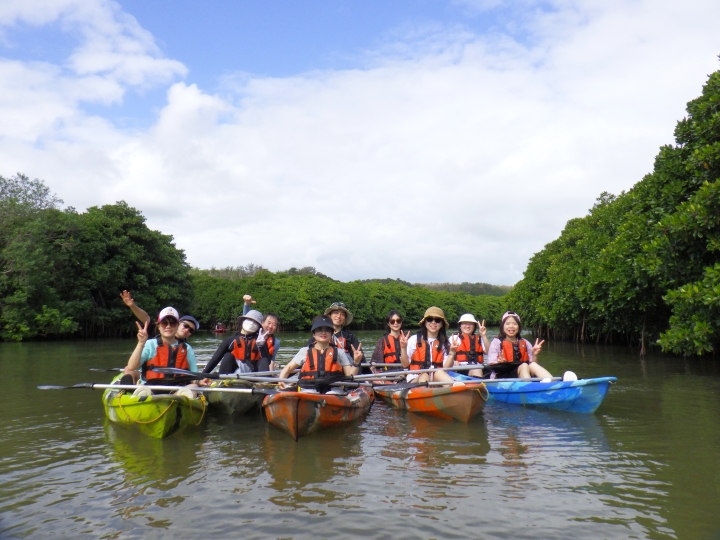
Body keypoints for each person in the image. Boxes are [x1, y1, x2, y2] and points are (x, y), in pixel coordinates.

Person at [123, 307, 199, 397]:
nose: (168, 326)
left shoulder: (187, 348)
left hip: (177, 389)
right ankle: (145, 395)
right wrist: (141, 343)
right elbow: (131, 366)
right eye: (164, 323)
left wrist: (199, 381)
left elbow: (194, 376)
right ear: (158, 326)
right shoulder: (149, 344)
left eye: (173, 323)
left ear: (177, 325)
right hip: (151, 388)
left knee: (193, 387)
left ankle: (179, 398)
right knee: (140, 387)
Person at [277, 315, 362, 390]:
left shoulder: (340, 352)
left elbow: (350, 374)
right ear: (313, 334)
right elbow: (288, 368)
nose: (323, 332)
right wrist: (281, 380)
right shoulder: (304, 351)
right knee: (309, 393)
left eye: (327, 330)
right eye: (319, 329)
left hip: (333, 389)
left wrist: (356, 362)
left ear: (332, 333)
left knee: (331, 394)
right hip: (309, 388)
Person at [202, 309, 271, 375]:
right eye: (249, 320)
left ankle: (264, 384)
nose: (251, 323)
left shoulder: (260, 340)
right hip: (234, 373)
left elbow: (267, 362)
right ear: (243, 321)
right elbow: (215, 359)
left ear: (258, 327)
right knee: (228, 356)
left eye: (255, 322)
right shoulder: (230, 340)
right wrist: (202, 375)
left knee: (264, 360)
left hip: (253, 373)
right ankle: (223, 381)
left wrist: (261, 347)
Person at [401, 307, 459, 385]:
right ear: (425, 322)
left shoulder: (444, 342)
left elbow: (445, 369)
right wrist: (403, 347)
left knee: (439, 372)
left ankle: (454, 390)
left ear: (442, 324)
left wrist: (452, 352)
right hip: (416, 378)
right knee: (424, 375)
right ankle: (425, 394)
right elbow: (405, 364)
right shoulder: (414, 339)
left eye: (437, 320)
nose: (433, 322)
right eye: (430, 319)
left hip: (435, 379)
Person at [486, 311, 550, 379]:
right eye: (507, 324)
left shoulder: (526, 343)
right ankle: (528, 387)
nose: (511, 326)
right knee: (524, 365)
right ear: (503, 326)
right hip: (503, 375)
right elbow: (491, 364)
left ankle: (553, 383)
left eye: (514, 324)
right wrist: (501, 363)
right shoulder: (496, 342)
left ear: (518, 326)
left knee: (533, 365)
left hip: (522, 373)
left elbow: (533, 363)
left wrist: (534, 354)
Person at [119, 290, 199, 341]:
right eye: (185, 325)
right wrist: (132, 306)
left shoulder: (186, 348)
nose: (187, 330)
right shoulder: (155, 331)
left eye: (191, 330)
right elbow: (145, 318)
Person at [310, 302, 366, 371]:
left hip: (346, 375)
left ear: (345, 318)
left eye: (342, 314)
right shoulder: (319, 336)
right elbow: (304, 357)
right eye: (336, 313)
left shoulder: (350, 337)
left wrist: (371, 378)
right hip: (323, 374)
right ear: (329, 315)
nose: (339, 316)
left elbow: (362, 361)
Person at [242, 294, 281, 370]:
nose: (271, 327)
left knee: (264, 361)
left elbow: (271, 360)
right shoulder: (252, 332)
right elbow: (246, 319)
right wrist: (247, 304)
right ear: (262, 323)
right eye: (269, 323)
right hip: (246, 364)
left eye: (274, 325)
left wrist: (271, 376)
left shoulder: (276, 342)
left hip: (261, 367)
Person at [450, 314, 490, 378]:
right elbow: (447, 355)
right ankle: (477, 385)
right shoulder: (455, 338)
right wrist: (453, 361)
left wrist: (484, 336)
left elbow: (489, 352)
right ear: (460, 326)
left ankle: (477, 384)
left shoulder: (480, 338)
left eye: (470, 324)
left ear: (474, 326)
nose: (468, 326)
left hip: (477, 368)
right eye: (465, 323)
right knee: (476, 369)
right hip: (460, 369)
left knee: (478, 369)